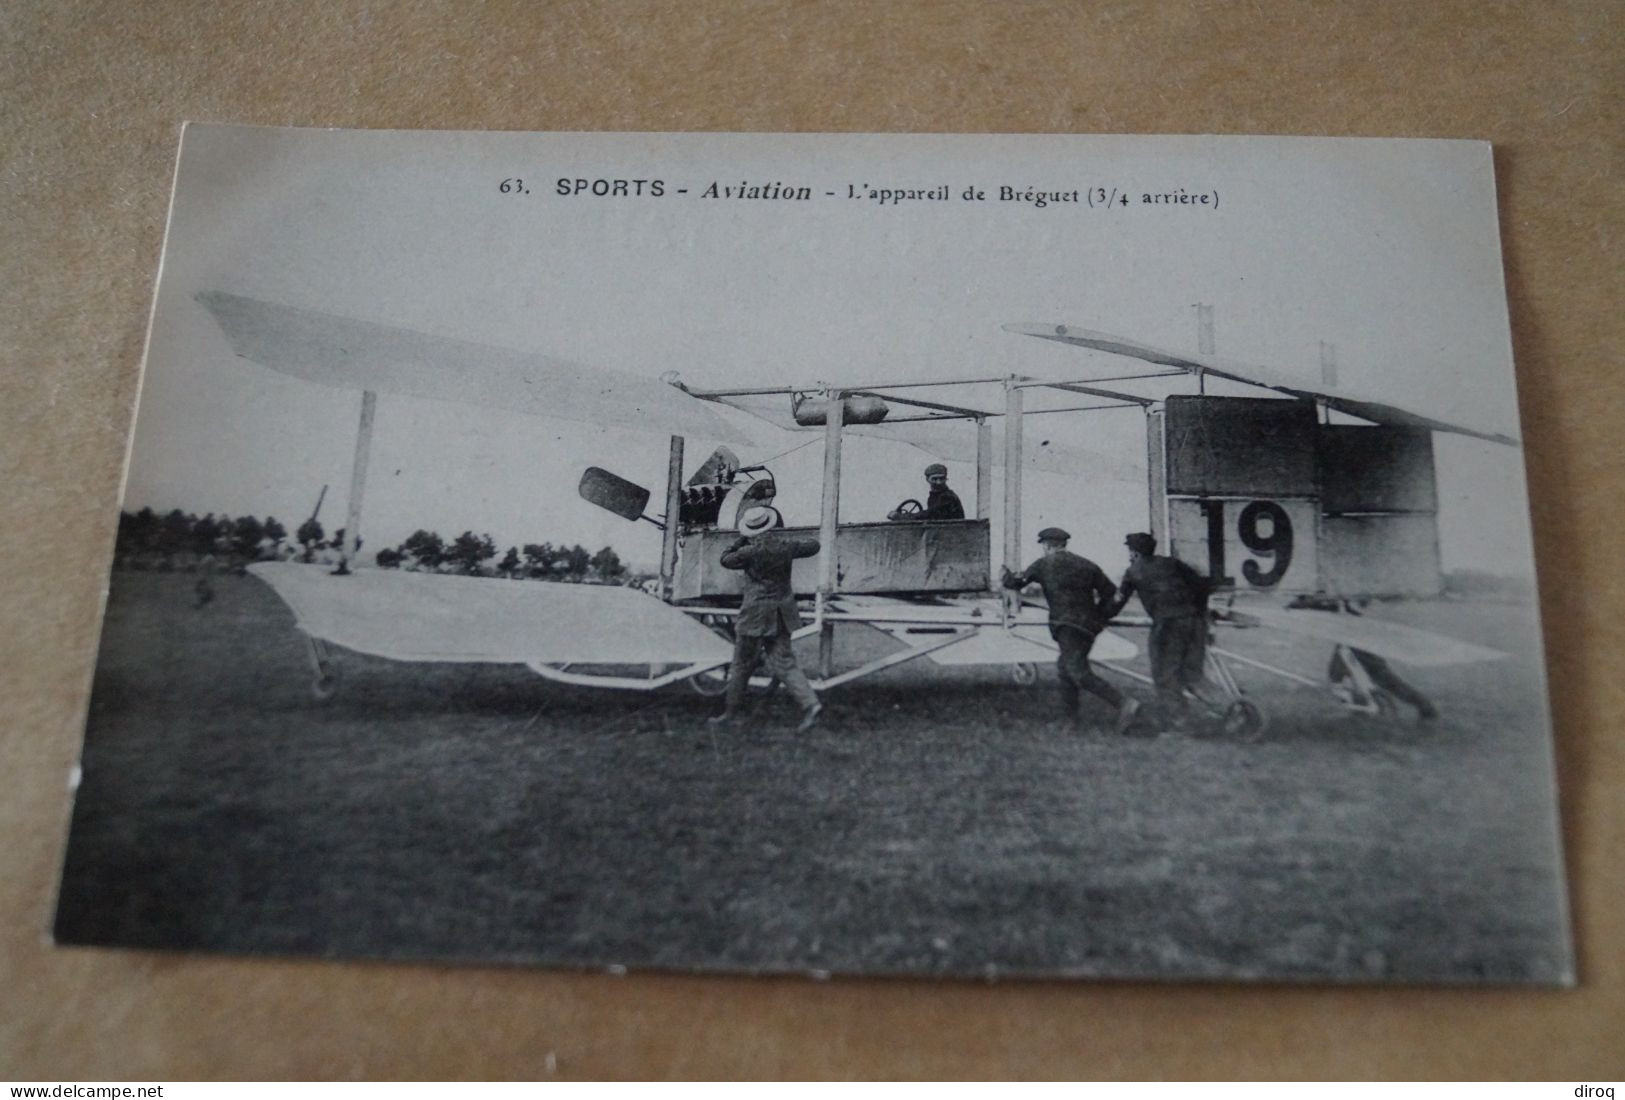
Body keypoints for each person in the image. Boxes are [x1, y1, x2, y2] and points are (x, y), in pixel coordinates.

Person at [1002, 527, 1140, 733]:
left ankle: (1124, 703)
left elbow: (1015, 583)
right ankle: (1069, 722)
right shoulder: (1087, 565)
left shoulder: (1043, 564)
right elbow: (1111, 593)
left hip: (1067, 625)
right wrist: (1099, 616)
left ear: (1047, 546)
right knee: (1065, 669)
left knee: (1077, 672)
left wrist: (1005, 575)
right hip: (1088, 627)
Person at [709, 506, 824, 731]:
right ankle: (811, 704)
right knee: (785, 663)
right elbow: (815, 545)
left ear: (750, 529)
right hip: (782, 613)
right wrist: (786, 542)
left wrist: (740, 540)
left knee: (741, 664)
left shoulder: (748, 553)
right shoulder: (786, 547)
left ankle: (730, 712)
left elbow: (725, 559)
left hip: (754, 614)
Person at [1106, 532, 1213, 728]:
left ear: (1134, 552)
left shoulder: (1133, 572)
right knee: (1193, 675)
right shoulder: (1171, 563)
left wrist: (1098, 616)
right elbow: (1202, 586)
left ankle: (1179, 722)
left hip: (1167, 625)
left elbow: (1116, 604)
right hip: (1195, 622)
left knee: (1165, 675)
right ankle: (1234, 708)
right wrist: (1199, 611)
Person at [1290, 594, 1439, 721]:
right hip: (1353, 644)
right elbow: (1328, 605)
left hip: (1358, 646)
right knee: (1345, 677)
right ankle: (1361, 709)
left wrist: (1301, 604)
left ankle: (1423, 705)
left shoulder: (1349, 602)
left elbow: (1330, 605)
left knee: (1345, 676)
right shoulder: (1348, 601)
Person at [888, 463, 965, 522]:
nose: (939, 482)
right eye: (934, 479)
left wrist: (902, 517)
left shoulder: (948, 497)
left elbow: (930, 514)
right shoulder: (935, 496)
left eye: (942, 478)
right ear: (927, 479)